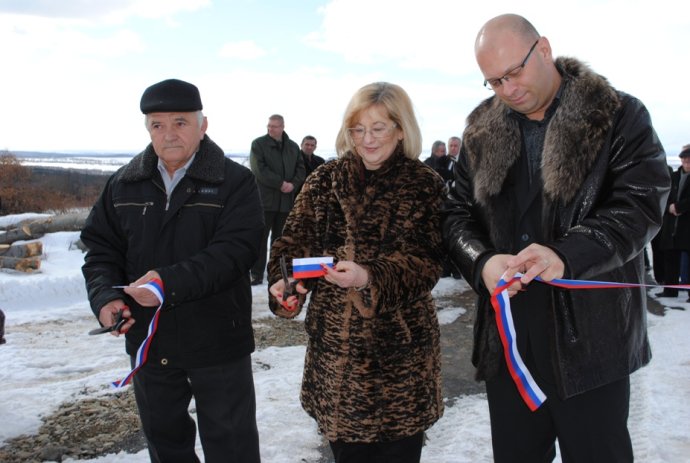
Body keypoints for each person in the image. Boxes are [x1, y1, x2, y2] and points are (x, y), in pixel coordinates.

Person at [442, 14, 670, 463]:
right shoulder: (480, 131)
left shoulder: (618, 116)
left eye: (514, 72)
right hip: (508, 342)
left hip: (591, 340)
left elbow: (641, 203)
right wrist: (482, 260)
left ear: (543, 49)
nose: (508, 89)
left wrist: (566, 254)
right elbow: (453, 214)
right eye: (493, 82)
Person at [80, 78, 263, 463]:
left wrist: (168, 283)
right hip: (150, 341)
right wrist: (106, 297)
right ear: (147, 129)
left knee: (232, 447)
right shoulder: (124, 184)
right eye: (157, 125)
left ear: (203, 125)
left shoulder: (234, 182)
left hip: (217, 340)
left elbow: (235, 252)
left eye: (180, 122)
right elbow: (100, 249)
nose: (169, 134)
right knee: (166, 446)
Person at [267, 82, 445, 463]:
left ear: (401, 129)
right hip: (337, 356)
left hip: (400, 356)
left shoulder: (424, 185)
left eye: (378, 128)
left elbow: (427, 262)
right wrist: (284, 282)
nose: (367, 139)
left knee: (399, 453)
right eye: (358, 129)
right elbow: (292, 242)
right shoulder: (323, 181)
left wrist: (370, 278)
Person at [249, 114, 305, 285]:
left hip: (285, 202)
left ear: (282, 127)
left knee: (280, 241)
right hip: (265, 201)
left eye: (274, 126)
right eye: (268, 125)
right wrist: (280, 183)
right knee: (260, 239)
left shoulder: (293, 147)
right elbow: (259, 169)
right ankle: (256, 274)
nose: (270, 128)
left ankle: (276, 273)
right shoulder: (259, 144)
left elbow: (300, 169)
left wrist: (292, 185)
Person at [657, 145, 690, 300]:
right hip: (672, 224)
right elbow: (665, 194)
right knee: (670, 258)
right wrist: (670, 206)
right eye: (684, 159)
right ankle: (670, 290)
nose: (686, 162)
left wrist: (679, 207)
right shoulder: (674, 176)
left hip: (686, 224)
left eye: (689, 159)